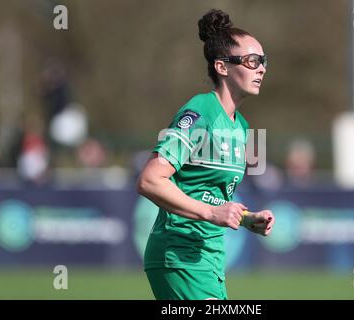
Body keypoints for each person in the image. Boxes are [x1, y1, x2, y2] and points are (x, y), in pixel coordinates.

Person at [136, 9, 275, 300]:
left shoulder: (242, 126)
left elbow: (209, 193)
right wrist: (212, 213)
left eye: (263, 61)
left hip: (209, 258)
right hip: (180, 254)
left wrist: (246, 218)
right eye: (252, 61)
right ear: (222, 67)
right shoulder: (200, 112)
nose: (261, 68)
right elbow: (150, 180)